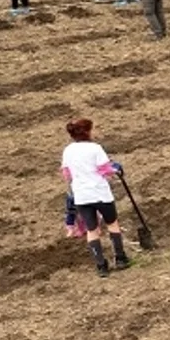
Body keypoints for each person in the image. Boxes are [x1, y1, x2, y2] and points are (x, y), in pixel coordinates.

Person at [60, 118, 130, 277]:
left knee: (91, 230)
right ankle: (120, 258)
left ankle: (101, 266)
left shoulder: (68, 151)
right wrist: (116, 169)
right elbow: (105, 170)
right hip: (100, 193)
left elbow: (67, 174)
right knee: (112, 224)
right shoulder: (95, 148)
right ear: (88, 131)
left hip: (82, 196)